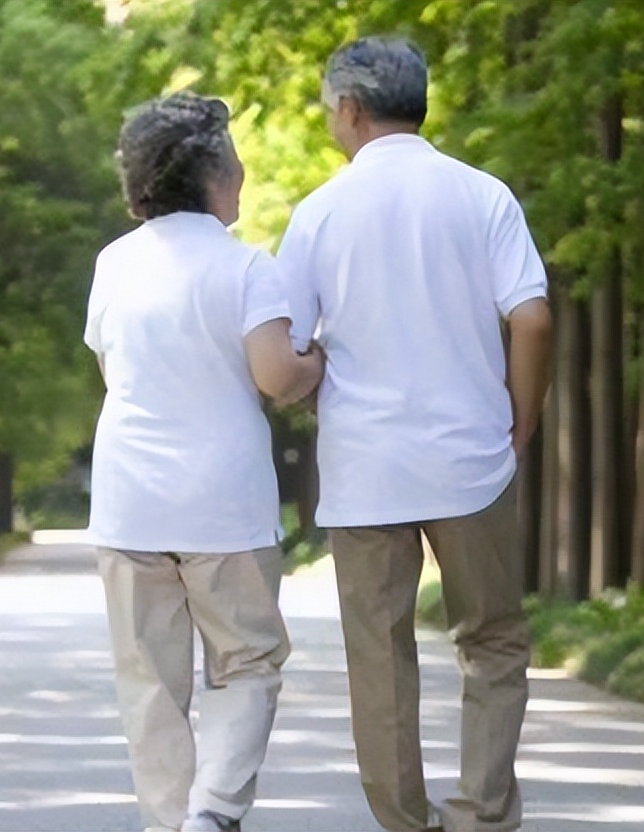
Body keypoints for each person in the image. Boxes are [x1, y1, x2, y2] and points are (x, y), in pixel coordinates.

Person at [275, 36, 554, 832]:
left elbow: (287, 346)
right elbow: (531, 316)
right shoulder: (483, 195)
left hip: (365, 469)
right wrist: (519, 423)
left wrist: (314, 376)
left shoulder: (320, 211)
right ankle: (483, 813)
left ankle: (404, 822)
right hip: (473, 459)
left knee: (380, 655)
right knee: (493, 641)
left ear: (352, 110)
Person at [84, 92, 324, 832]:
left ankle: (172, 822)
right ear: (213, 174)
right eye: (236, 161)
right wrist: (316, 362)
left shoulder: (113, 263)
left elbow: (110, 365)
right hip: (223, 504)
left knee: (149, 682)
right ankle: (213, 814)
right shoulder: (246, 266)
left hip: (128, 503)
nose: (246, 175)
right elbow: (277, 377)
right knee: (247, 664)